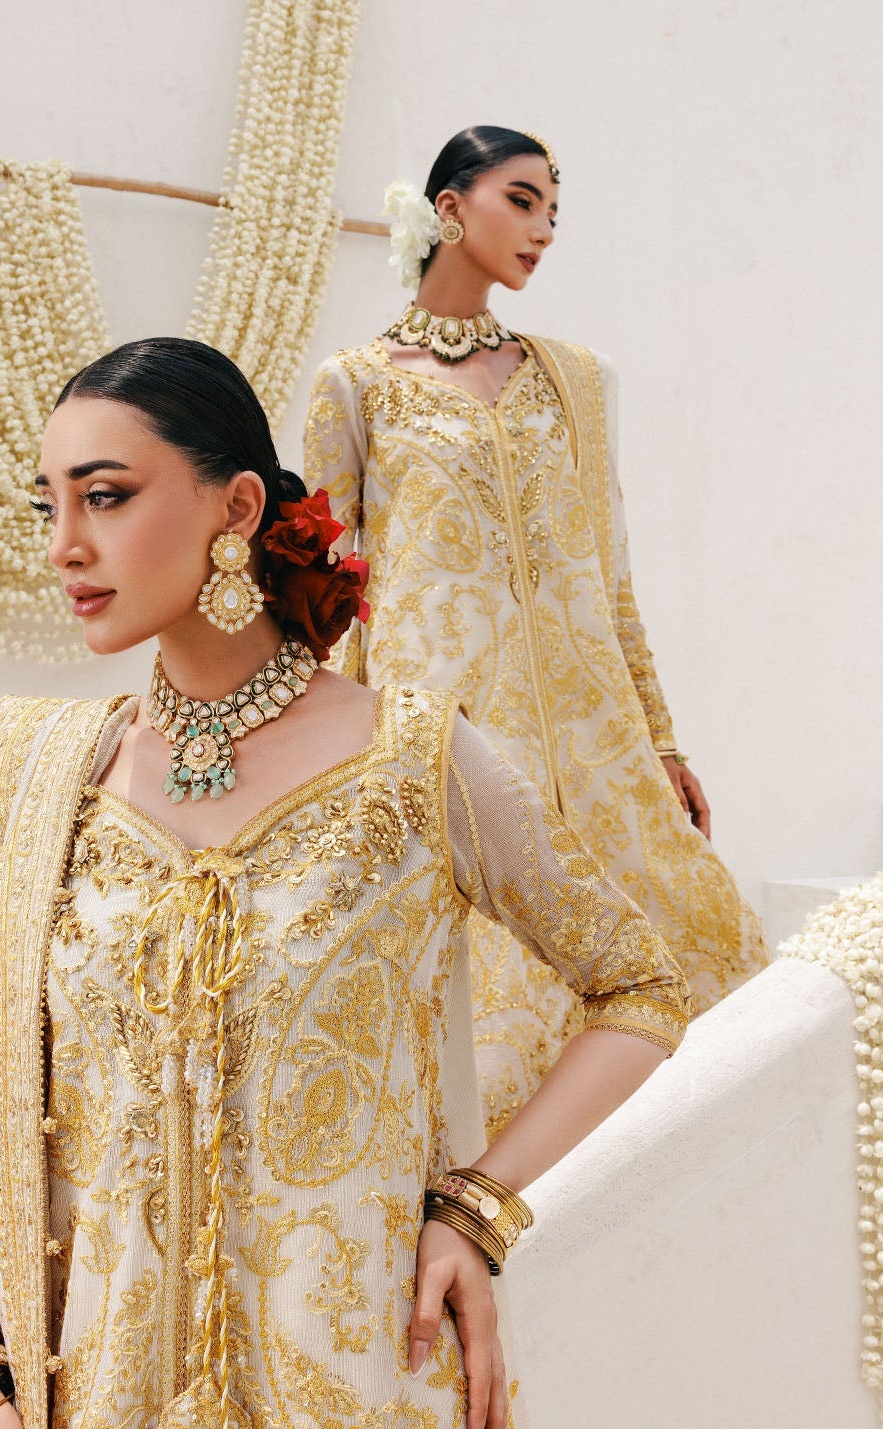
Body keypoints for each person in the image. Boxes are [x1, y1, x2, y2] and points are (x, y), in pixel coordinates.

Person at [0, 337, 689, 1429]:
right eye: (50, 503)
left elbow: (640, 985)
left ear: (235, 507)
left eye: (107, 495)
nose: (66, 544)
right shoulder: (45, 773)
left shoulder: (417, 761)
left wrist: (476, 1208)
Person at [304, 125, 767, 1136]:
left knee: (699, 974)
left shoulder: (575, 380)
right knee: (488, 1022)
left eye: (554, 210)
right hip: (453, 735)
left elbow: (611, 575)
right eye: (522, 200)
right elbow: (327, 596)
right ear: (449, 208)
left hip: (599, 743)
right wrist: (326, 763)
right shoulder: (356, 384)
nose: (544, 228)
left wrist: (661, 738)